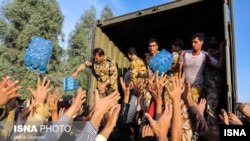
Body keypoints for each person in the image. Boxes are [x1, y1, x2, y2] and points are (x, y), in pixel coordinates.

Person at [178, 33, 222, 103]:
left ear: (201, 42)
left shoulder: (205, 55)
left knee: (190, 107)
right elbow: (179, 70)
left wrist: (222, 49)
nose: (193, 44)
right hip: (184, 86)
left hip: (196, 86)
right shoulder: (184, 53)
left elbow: (219, 66)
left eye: (195, 42)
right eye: (192, 42)